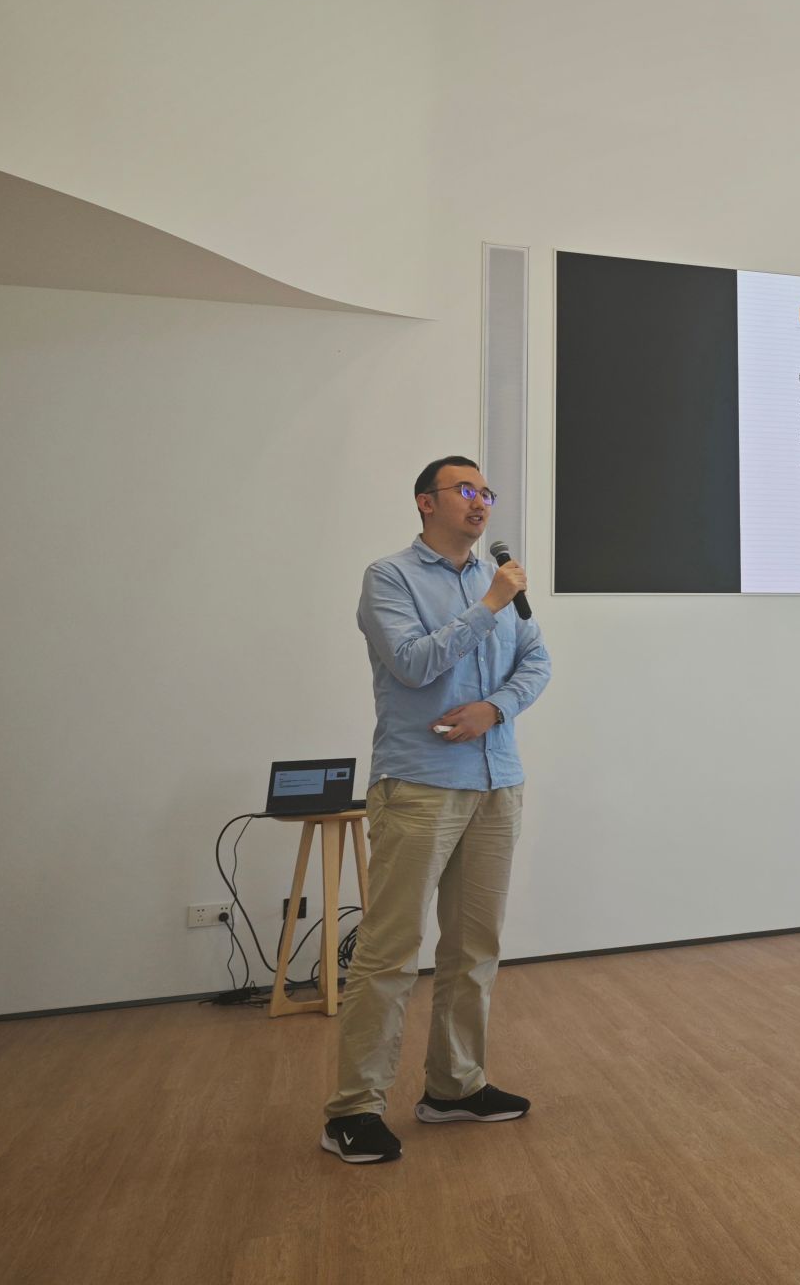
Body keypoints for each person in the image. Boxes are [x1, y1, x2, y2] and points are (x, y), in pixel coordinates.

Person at [320, 456, 552, 1165]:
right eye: (465, 490)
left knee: (474, 947)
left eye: (487, 492)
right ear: (427, 502)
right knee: (390, 952)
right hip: (419, 784)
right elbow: (413, 663)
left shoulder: (497, 578)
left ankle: (454, 1086)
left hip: (496, 781)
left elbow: (536, 662)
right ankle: (353, 1110)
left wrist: (494, 708)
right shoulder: (389, 578)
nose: (481, 502)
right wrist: (487, 607)